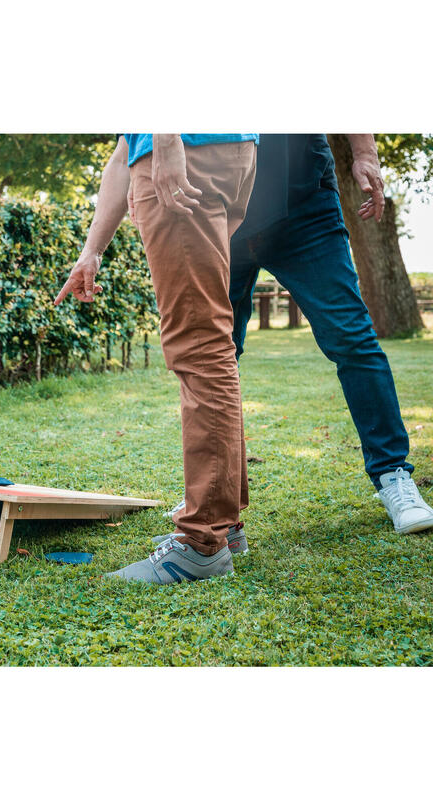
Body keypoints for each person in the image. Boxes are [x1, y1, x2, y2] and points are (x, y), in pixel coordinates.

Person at [56, 134, 258, 585]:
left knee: (199, 344)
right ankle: (225, 524)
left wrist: (166, 134)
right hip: (221, 149)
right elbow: (127, 148)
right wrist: (92, 249)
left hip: (187, 145)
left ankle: (202, 543)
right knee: (210, 338)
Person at [224, 134, 433, 534]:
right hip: (220, 204)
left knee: (352, 337)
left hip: (304, 198)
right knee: (214, 353)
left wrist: (365, 153)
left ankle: (393, 475)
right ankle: (211, 491)